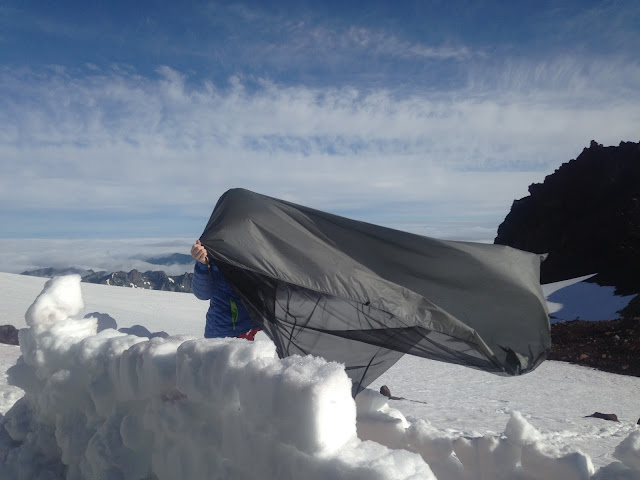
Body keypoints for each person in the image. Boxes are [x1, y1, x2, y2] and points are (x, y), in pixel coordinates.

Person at [190, 240, 259, 340]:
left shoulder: (256, 247)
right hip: (222, 332)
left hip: (248, 327)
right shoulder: (215, 246)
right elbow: (202, 294)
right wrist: (202, 264)